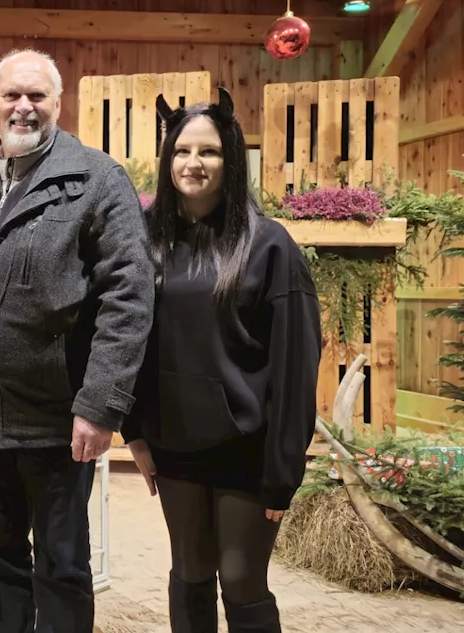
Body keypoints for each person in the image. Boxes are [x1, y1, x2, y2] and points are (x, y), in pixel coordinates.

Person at [0, 48, 157, 632]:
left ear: (58, 103)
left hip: (58, 420)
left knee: (60, 565)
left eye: (37, 96)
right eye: (12, 95)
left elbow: (128, 299)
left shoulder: (97, 180)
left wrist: (100, 404)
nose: (23, 107)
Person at [121, 89, 322, 633]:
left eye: (208, 152)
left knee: (240, 579)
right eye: (182, 151)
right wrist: (135, 431)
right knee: (188, 573)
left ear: (230, 160)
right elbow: (126, 340)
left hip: (247, 452)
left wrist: (283, 469)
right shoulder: (145, 242)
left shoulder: (270, 246)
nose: (193, 163)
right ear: (167, 161)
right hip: (174, 444)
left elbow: (297, 364)